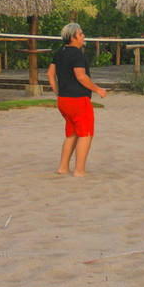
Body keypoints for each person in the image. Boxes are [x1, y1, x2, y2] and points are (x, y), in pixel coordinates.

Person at [47, 23, 107, 176]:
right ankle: (79, 170)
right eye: (80, 34)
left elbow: (50, 74)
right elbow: (81, 76)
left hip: (64, 100)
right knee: (85, 134)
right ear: (73, 37)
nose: (83, 36)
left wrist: (58, 92)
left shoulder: (60, 52)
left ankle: (63, 167)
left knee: (72, 133)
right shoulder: (77, 54)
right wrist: (97, 89)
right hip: (78, 99)